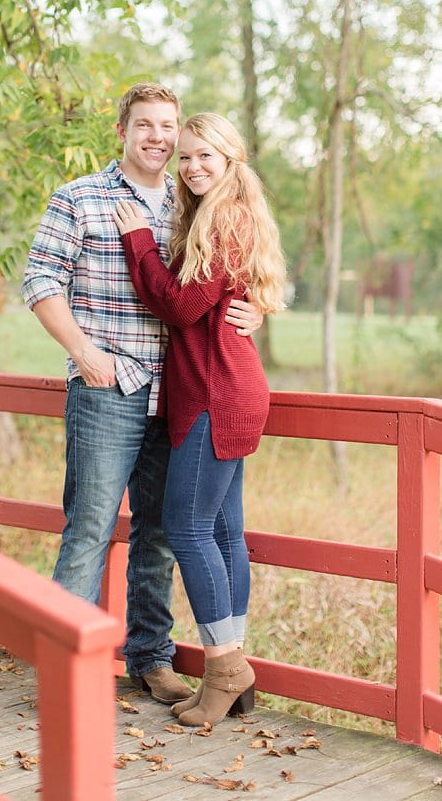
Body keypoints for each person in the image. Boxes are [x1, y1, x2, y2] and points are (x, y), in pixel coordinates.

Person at [22, 83, 261, 704]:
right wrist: (83, 353)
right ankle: (64, 669)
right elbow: (40, 280)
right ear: (123, 130)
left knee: (159, 533)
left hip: (179, 395)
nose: (159, 137)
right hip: (110, 386)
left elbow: (218, 284)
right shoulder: (82, 197)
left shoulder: (191, 205)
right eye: (146, 125)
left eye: (169, 127)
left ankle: (150, 657)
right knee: (92, 529)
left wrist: (254, 309)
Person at [113, 111, 287, 725]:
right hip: (229, 387)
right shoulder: (221, 214)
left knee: (186, 530)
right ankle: (233, 676)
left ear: (231, 159)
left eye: (204, 156)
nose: (190, 167)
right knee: (221, 532)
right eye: (185, 157)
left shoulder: (224, 219)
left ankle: (224, 667)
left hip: (217, 394)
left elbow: (182, 305)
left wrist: (137, 239)